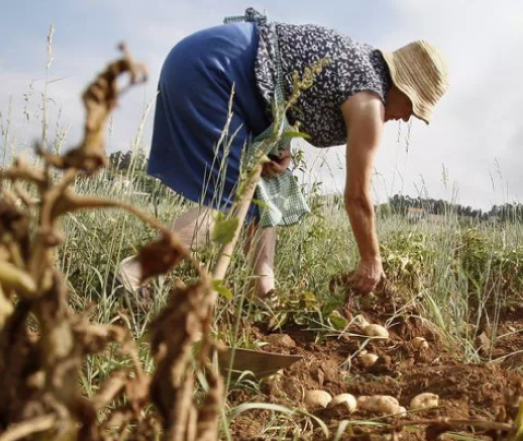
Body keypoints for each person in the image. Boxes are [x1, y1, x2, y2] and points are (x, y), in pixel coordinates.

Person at [117, 9, 449, 299]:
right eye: (413, 108)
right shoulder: (369, 102)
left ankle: (264, 291)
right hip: (214, 72)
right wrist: (371, 260)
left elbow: (288, 80)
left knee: (265, 193)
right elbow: (358, 197)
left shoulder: (360, 65)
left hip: (208, 61)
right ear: (402, 87)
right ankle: (135, 272)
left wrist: (280, 145)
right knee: (236, 205)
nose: (407, 118)